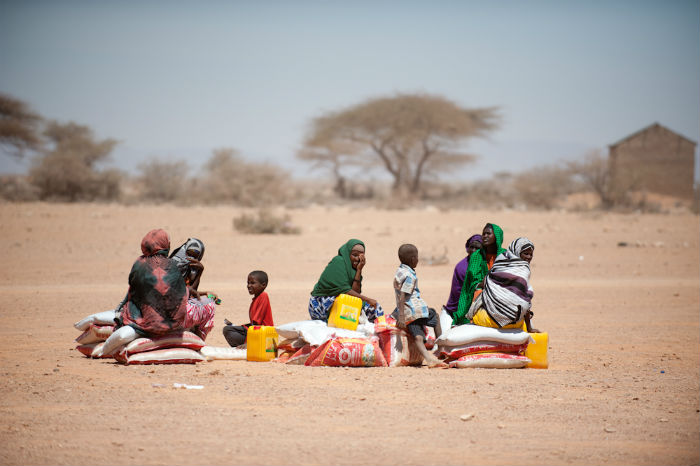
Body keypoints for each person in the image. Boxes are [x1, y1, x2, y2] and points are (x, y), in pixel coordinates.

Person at [116, 229, 188, 337]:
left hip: (147, 325)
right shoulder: (172, 265)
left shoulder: (139, 264)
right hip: (175, 325)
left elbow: (133, 289)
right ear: (165, 245)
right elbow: (181, 294)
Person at [467, 237, 539, 331]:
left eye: (531, 255)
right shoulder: (524, 270)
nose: (529, 257)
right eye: (526, 253)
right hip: (515, 324)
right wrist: (529, 328)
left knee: (479, 305)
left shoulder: (501, 261)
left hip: (490, 321)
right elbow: (523, 299)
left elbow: (486, 282)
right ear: (517, 251)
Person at [392, 244, 446, 368]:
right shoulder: (409, 276)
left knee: (417, 334)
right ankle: (442, 350)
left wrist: (401, 314)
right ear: (412, 259)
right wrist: (401, 316)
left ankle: (428, 359)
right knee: (435, 316)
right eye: (417, 257)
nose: (417, 259)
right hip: (414, 309)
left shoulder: (400, 271)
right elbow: (402, 295)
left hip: (406, 311)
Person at [308, 239, 384, 323]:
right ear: (347, 253)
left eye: (361, 256)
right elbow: (345, 290)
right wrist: (368, 299)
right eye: (354, 255)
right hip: (322, 302)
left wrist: (359, 270)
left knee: (374, 308)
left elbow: (355, 292)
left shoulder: (353, 269)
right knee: (350, 310)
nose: (358, 259)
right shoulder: (338, 262)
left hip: (341, 299)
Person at [453, 223, 506, 326]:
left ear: (497, 236)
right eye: (484, 234)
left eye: (488, 234)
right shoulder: (476, 256)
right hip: (478, 292)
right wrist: (482, 284)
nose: (485, 236)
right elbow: (470, 282)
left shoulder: (505, 255)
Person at [171, 237, 217, 340]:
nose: (191, 258)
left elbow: (190, 292)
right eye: (189, 254)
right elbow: (187, 294)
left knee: (206, 300)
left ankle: (193, 337)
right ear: (184, 251)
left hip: (177, 307)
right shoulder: (174, 265)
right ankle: (199, 339)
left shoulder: (192, 270)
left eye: (195, 256)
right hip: (173, 310)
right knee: (209, 305)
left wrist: (199, 273)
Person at [222, 270, 274, 347]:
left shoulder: (263, 296)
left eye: (252, 283)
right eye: (248, 283)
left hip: (263, 334)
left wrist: (248, 342)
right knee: (228, 329)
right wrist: (234, 325)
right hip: (257, 332)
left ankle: (250, 346)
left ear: (263, 285)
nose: (249, 285)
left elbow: (257, 324)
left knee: (229, 331)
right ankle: (247, 346)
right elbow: (253, 323)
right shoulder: (255, 299)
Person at [443, 234, 482, 318]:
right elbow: (461, 293)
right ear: (468, 248)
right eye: (472, 247)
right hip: (456, 310)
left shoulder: (485, 266)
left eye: (477, 248)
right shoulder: (461, 267)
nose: (474, 251)